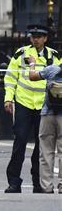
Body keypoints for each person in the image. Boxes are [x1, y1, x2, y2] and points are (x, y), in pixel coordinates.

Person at [3, 24, 60, 193]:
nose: (35, 39)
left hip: (44, 105)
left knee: (40, 146)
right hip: (23, 103)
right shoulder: (21, 54)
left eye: (39, 36)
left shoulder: (53, 56)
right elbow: (10, 77)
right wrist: (8, 98)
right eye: (33, 36)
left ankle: (38, 183)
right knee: (19, 142)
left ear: (45, 38)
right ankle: (14, 181)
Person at [36, 63, 62, 194]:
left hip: (48, 114)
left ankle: (46, 186)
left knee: (46, 151)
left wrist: (32, 65)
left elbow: (32, 76)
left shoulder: (51, 69)